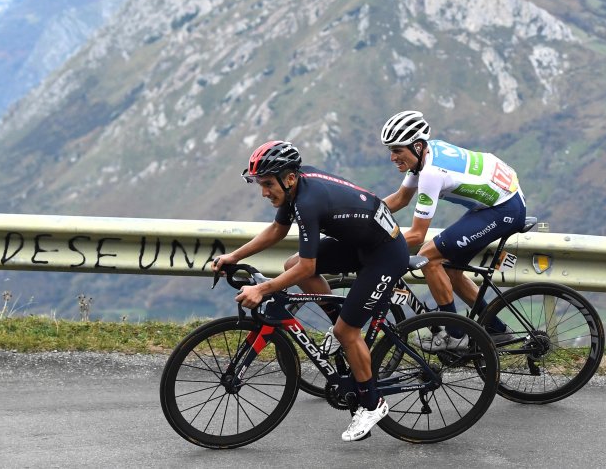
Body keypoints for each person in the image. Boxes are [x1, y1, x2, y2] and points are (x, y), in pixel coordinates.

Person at [212, 140, 407, 442]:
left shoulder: (307, 202)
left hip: (385, 254)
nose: (264, 192)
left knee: (346, 331)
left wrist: (264, 289)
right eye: (259, 185)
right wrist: (234, 257)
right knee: (293, 264)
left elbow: (306, 268)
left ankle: (372, 404)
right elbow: (278, 231)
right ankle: (340, 322)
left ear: (288, 178)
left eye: (266, 184)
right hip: (361, 244)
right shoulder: (296, 186)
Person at [379, 110, 527, 349]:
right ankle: (497, 330)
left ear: (416, 146)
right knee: (451, 270)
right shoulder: (426, 154)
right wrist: (366, 214)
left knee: (428, 257)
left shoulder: (431, 173)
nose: (392, 157)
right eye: (391, 150)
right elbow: (400, 199)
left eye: (397, 150)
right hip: (500, 200)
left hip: (504, 209)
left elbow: (417, 235)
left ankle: (455, 335)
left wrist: (377, 249)